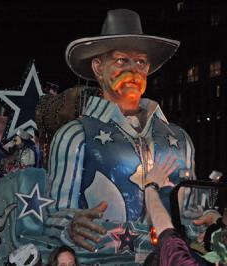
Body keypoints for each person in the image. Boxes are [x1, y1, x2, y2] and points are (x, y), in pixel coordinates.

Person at [46, 8, 201, 263]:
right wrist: (69, 225)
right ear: (98, 67)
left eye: (140, 62)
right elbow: (51, 214)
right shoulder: (76, 136)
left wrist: (207, 223)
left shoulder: (180, 140)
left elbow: (196, 212)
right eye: (121, 60)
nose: (133, 70)